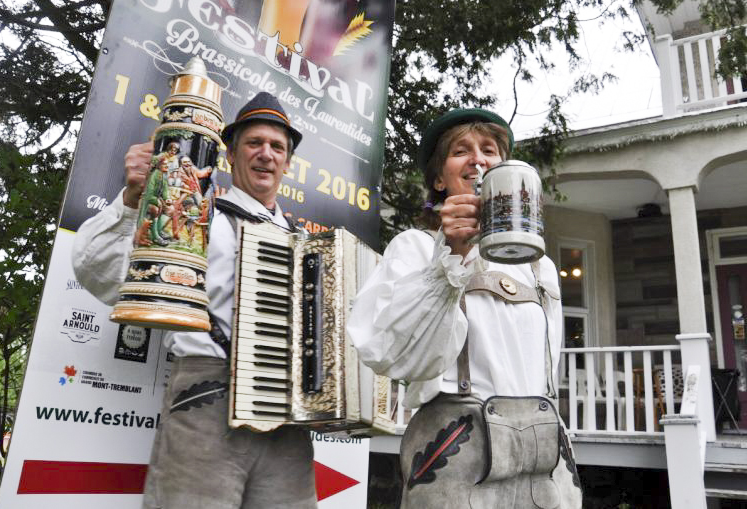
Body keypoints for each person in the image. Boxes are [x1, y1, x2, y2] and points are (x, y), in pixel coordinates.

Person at [72, 92, 317, 509]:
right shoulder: (196, 213)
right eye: (254, 143)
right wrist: (133, 201)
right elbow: (100, 274)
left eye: (277, 147)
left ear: (288, 164)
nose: (266, 155)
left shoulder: (308, 247)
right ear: (232, 153)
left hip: (287, 420)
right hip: (206, 396)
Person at [347, 109, 580, 508]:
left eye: (490, 150)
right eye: (461, 150)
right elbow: (391, 355)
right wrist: (450, 261)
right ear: (439, 179)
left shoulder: (540, 268)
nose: (478, 159)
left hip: (541, 457)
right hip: (457, 448)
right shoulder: (417, 248)